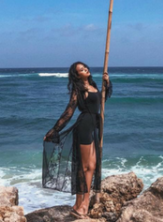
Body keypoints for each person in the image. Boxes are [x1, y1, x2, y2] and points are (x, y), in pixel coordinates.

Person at [42, 62, 112, 219]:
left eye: (85, 67)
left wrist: (106, 85)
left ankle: (79, 202)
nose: (85, 69)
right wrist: (54, 130)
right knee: (86, 166)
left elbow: (100, 102)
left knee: (92, 166)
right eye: (81, 69)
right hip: (85, 125)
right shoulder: (78, 89)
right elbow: (69, 111)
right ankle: (83, 204)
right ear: (77, 75)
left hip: (95, 125)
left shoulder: (93, 85)